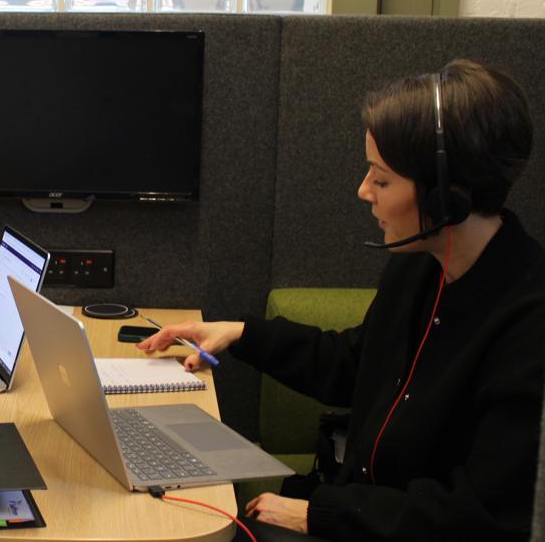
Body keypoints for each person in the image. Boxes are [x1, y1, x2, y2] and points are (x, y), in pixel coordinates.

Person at [140, 59, 545, 541]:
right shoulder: (421, 266)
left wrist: (318, 515)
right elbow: (357, 365)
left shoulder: (529, 323)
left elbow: (482, 515)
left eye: (382, 178)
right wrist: (242, 334)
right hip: (363, 511)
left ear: (446, 198)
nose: (363, 191)